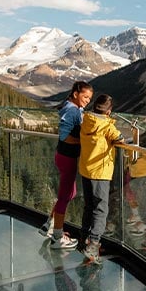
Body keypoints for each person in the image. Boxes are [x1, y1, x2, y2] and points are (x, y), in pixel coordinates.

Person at [38, 81, 93, 250]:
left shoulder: (72, 107)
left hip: (63, 156)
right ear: (76, 94)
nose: (87, 101)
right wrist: (85, 141)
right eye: (85, 97)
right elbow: (64, 136)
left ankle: (50, 225)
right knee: (65, 196)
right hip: (67, 157)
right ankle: (57, 237)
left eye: (90, 98)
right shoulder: (71, 109)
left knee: (70, 193)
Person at [78, 94, 124, 263]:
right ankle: (94, 243)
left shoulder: (86, 121)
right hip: (101, 172)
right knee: (101, 209)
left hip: (86, 169)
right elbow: (119, 138)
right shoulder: (106, 125)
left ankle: (83, 240)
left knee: (89, 206)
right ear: (109, 111)